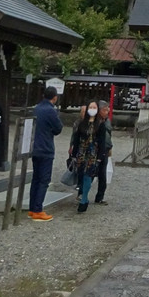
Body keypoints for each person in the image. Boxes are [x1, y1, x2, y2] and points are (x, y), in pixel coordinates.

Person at [27, 85, 63, 221]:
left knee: (36, 179)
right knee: (44, 180)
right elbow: (58, 128)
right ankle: (38, 209)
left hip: (34, 147)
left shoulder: (35, 109)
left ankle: (32, 208)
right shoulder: (51, 111)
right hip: (46, 148)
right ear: (55, 97)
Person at [69, 100, 107, 213]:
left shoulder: (100, 124)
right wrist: (73, 153)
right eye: (91, 107)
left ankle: (84, 199)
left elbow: (102, 141)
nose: (92, 109)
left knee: (88, 175)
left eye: (94, 107)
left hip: (93, 153)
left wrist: (101, 155)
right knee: (81, 174)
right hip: (81, 152)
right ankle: (83, 196)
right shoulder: (82, 123)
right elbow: (76, 139)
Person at [94, 100, 113, 205]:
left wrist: (110, 146)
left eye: (107, 109)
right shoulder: (96, 121)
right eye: (105, 110)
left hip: (105, 149)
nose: (107, 111)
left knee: (102, 174)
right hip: (95, 149)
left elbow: (109, 135)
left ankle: (100, 196)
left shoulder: (107, 121)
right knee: (91, 172)